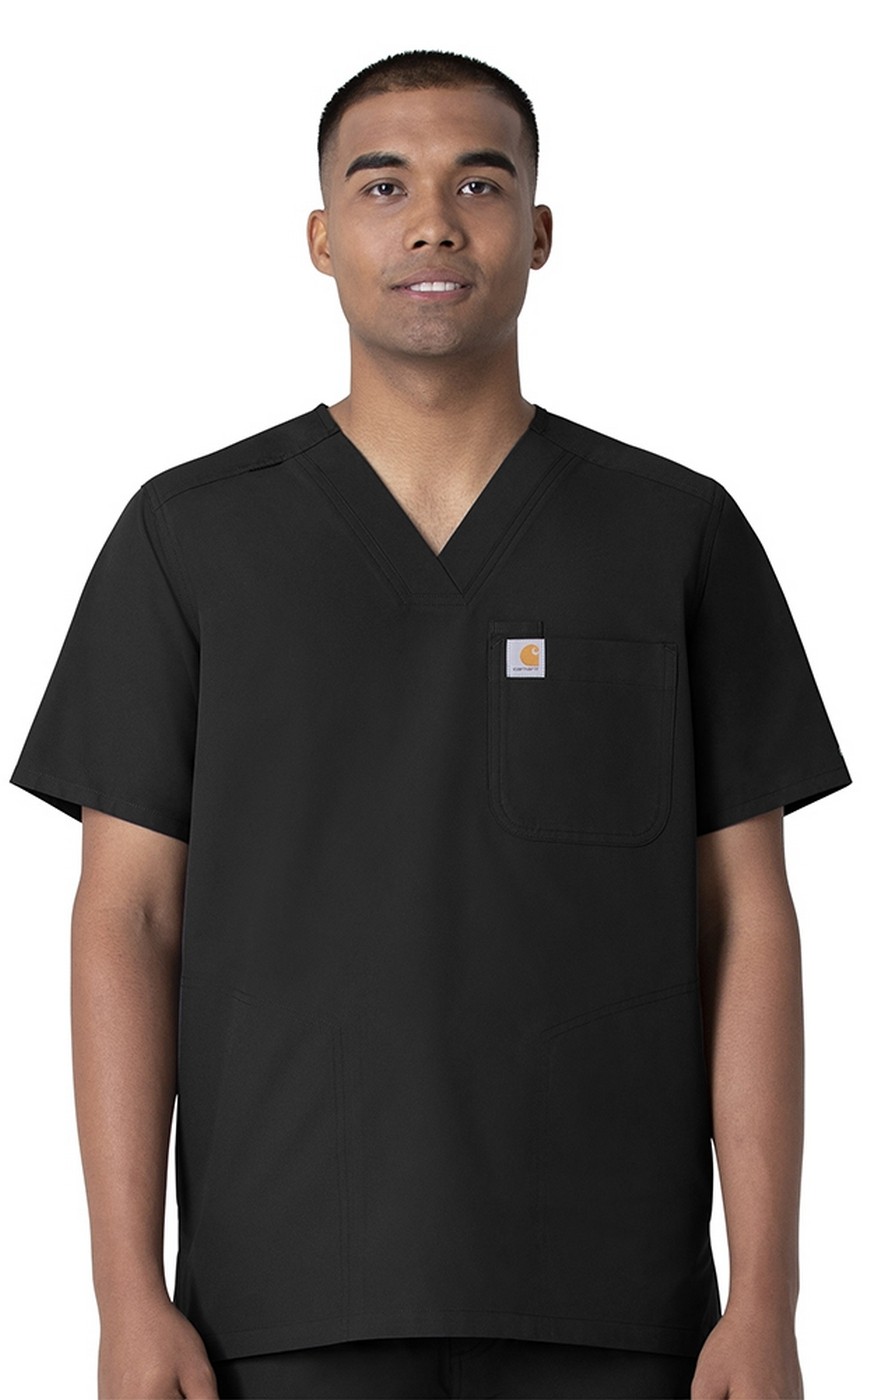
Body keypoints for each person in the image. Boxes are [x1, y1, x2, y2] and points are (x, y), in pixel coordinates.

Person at [9, 49, 851, 1400]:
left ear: (540, 232)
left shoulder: (673, 535)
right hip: (277, 1303)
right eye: (384, 185)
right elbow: (127, 917)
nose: (434, 223)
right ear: (320, 237)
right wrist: (124, 1294)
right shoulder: (188, 537)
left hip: (613, 1302)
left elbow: (745, 918)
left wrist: (765, 1299)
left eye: (480, 184)